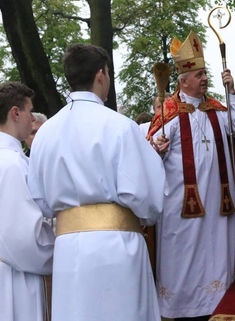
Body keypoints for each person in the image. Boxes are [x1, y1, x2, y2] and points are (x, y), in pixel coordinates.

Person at [28, 43, 166, 320]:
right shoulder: (119, 125)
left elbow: (39, 197)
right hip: (117, 245)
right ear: (101, 74)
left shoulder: (45, 133)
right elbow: (148, 196)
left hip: (67, 247)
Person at [148, 31, 235, 320]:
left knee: (217, 246)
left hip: (219, 198)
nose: (205, 78)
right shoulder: (168, 112)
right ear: (184, 80)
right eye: (200, 74)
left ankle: (221, 301)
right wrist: (157, 148)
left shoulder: (216, 108)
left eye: (206, 73)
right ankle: (184, 308)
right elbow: (150, 149)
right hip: (182, 203)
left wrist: (231, 92)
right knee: (185, 251)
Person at [0, 82, 54, 320]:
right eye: (29, 111)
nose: (32, 119)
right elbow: (21, 236)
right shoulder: (11, 163)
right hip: (14, 276)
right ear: (15, 113)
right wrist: (57, 251)